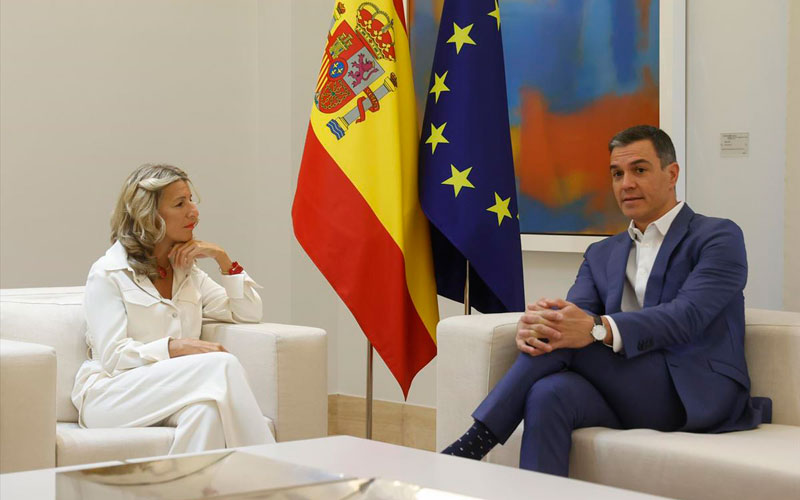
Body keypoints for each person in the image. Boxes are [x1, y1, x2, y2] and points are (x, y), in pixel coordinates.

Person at [442, 125, 770, 476]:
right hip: (625, 389)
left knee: (567, 340)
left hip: (691, 390)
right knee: (548, 392)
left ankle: (472, 445)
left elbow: (685, 316)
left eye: (639, 170)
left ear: (672, 174)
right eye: (617, 174)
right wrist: (537, 325)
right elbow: (574, 317)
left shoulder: (717, 237)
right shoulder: (601, 253)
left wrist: (596, 329)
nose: (626, 183)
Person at [71, 164, 275, 454]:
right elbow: (113, 358)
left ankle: (183, 481)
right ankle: (273, 468)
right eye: (180, 204)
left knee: (207, 412)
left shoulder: (187, 272)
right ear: (148, 215)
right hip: (112, 396)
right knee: (222, 364)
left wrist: (223, 259)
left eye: (191, 200)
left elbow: (248, 312)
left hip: (170, 392)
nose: (194, 212)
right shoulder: (108, 273)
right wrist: (176, 347)